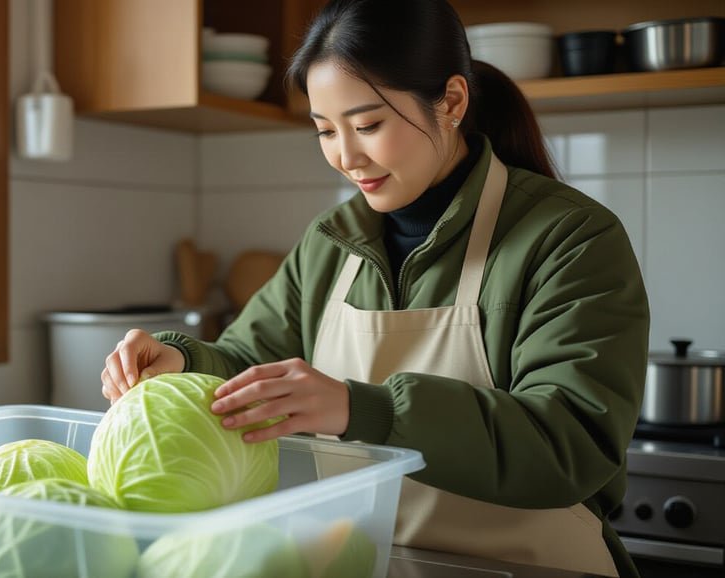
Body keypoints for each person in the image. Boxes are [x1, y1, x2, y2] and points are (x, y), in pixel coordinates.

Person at [100, 0, 648, 576]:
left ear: (452, 101)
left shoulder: (569, 237)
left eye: (367, 125)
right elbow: (247, 362)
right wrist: (181, 359)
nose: (345, 156)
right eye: (325, 131)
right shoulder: (331, 243)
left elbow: (569, 442)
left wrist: (365, 409)